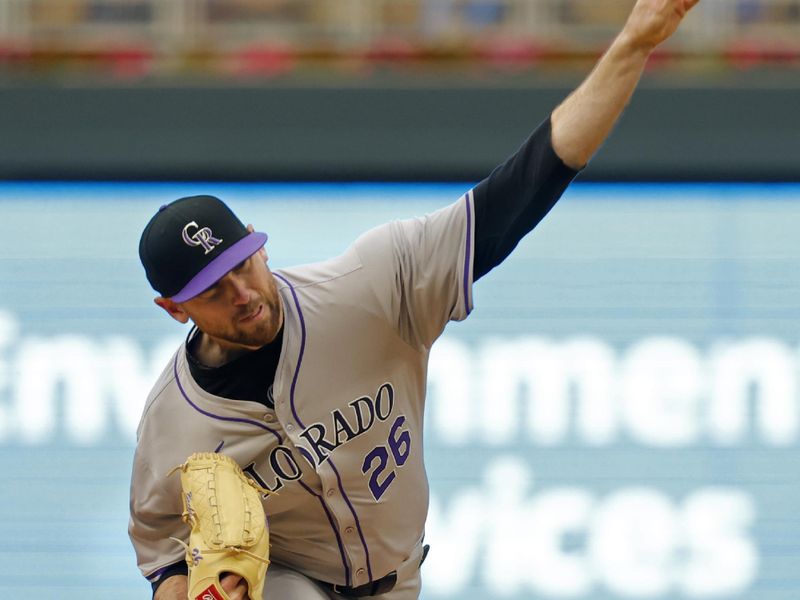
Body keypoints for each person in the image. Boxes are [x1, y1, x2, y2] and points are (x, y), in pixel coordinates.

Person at [129, 1, 700, 598]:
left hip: (401, 581)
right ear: (174, 309)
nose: (241, 293)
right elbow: (163, 555)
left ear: (258, 246)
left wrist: (634, 42)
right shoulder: (173, 425)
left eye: (241, 265)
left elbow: (525, 186)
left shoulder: (371, 286)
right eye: (213, 290)